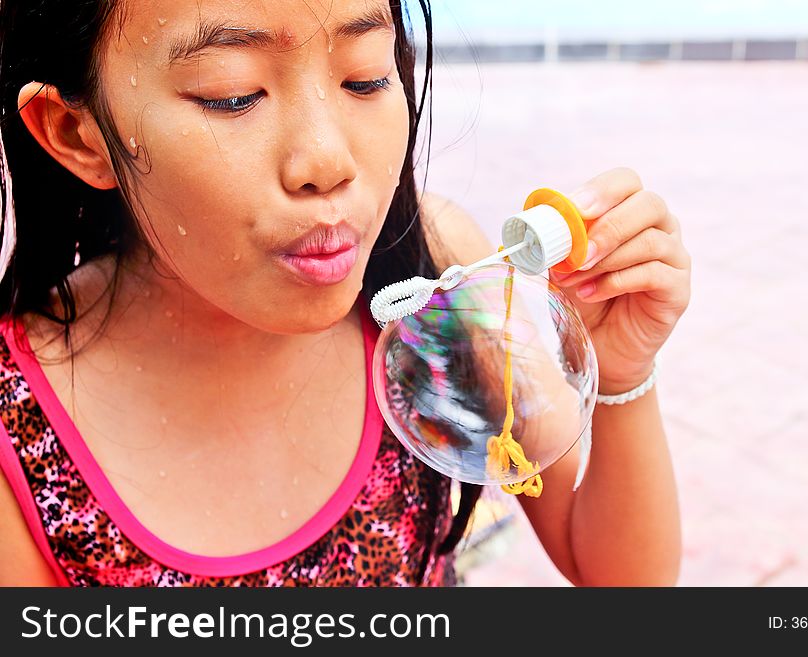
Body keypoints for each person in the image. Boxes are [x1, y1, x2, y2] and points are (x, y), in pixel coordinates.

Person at [0, 0, 690, 587]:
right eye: (232, 94)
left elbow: (621, 579)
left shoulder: (436, 275)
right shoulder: (18, 430)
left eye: (364, 79)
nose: (328, 162)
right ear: (75, 132)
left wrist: (624, 375)